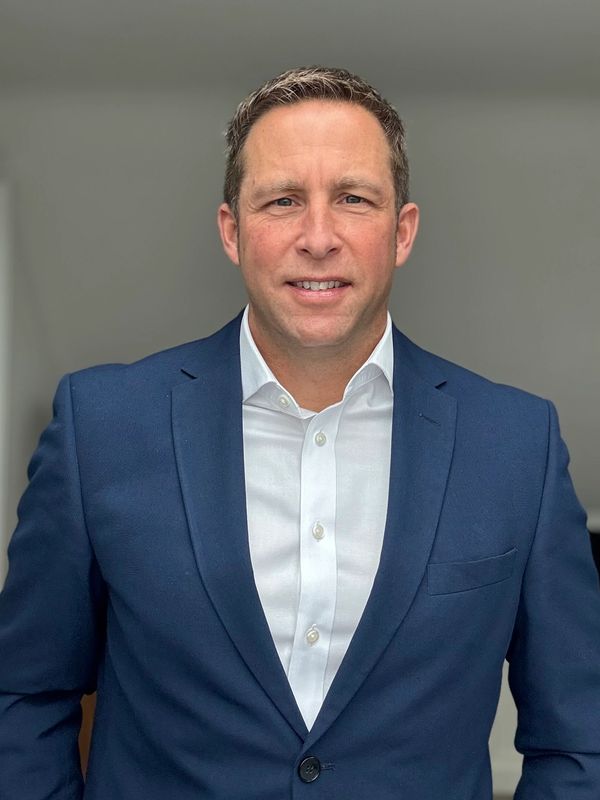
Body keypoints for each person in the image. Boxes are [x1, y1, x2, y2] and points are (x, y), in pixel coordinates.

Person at [0, 66, 599, 800]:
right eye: (283, 201)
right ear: (233, 231)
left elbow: (580, 737)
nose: (318, 238)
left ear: (402, 231)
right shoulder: (102, 429)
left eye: (353, 199)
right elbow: (24, 695)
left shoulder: (517, 446)